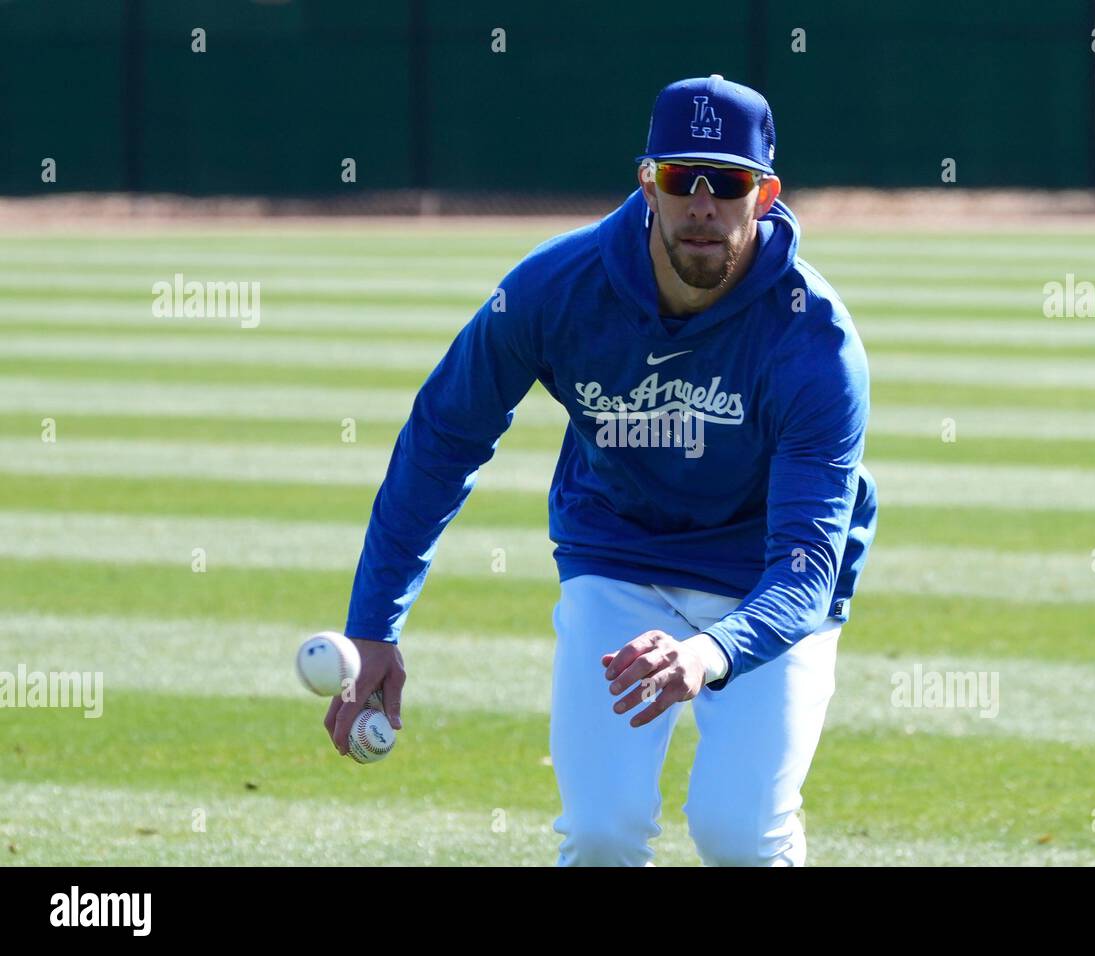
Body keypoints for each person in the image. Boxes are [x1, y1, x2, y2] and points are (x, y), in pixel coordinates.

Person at [324, 74, 877, 866]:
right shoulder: (556, 289)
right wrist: (374, 625)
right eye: (682, 178)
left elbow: (804, 568)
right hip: (619, 562)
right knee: (601, 831)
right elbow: (442, 440)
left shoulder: (815, 342)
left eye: (729, 183)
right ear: (646, 180)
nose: (703, 205)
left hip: (765, 579)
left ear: (765, 193)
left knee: (738, 834)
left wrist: (707, 653)